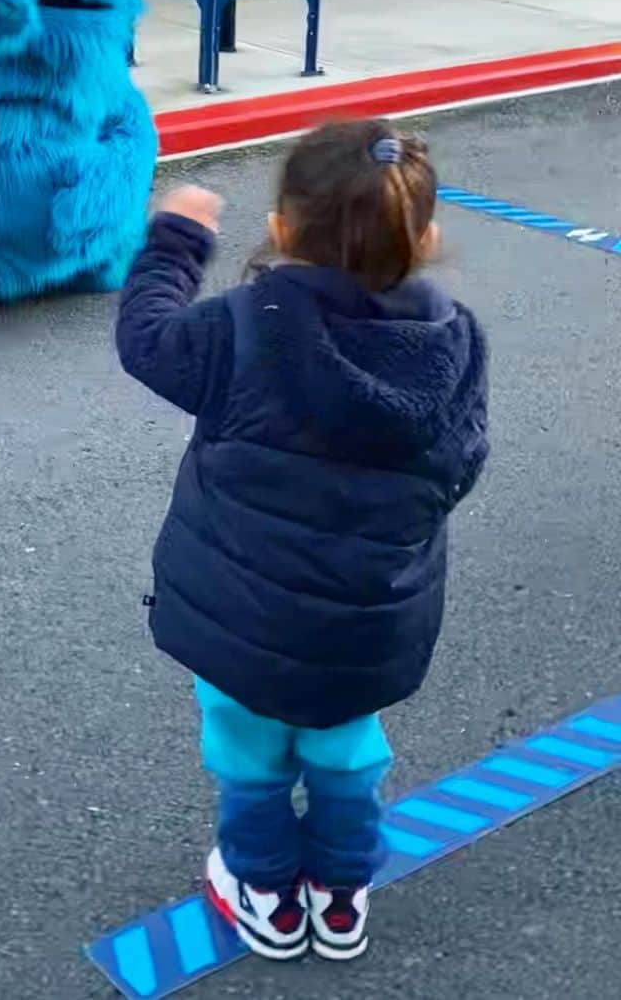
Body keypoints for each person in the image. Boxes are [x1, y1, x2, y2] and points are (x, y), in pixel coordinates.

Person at [116, 121, 489, 961]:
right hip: (367, 619)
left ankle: (265, 893)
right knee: (348, 749)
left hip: (243, 614)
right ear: (424, 236)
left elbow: (146, 339)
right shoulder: (455, 339)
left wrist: (177, 238)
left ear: (282, 229)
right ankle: (340, 890)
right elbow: (462, 464)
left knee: (249, 753)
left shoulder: (247, 324)